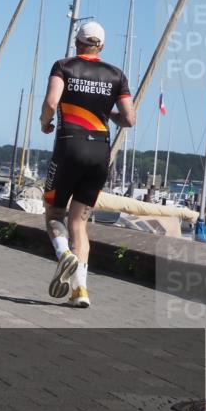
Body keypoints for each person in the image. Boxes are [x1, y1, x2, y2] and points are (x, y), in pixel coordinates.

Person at [39, 21, 135, 308]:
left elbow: (51, 102)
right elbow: (129, 119)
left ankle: (63, 254)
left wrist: (45, 124)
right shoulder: (116, 74)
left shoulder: (63, 66)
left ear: (76, 43)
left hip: (69, 146)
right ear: (101, 46)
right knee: (79, 223)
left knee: (54, 212)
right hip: (100, 151)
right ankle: (80, 291)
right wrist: (110, 115)